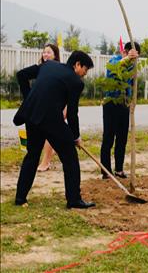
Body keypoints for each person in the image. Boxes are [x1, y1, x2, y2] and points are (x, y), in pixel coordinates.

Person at [13, 51, 96, 209]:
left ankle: (20, 198)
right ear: (77, 64)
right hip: (51, 121)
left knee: (32, 155)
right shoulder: (76, 82)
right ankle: (74, 200)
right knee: (70, 157)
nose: (85, 74)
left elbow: (21, 75)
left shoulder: (48, 65)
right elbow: (72, 114)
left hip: (32, 116)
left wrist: (29, 97)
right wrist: (75, 136)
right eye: (85, 69)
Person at [16, 44, 64, 172]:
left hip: (54, 111)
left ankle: (48, 161)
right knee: (35, 146)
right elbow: (21, 75)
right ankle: (42, 162)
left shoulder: (60, 70)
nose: (46, 55)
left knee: (60, 142)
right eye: (44, 52)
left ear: (55, 55)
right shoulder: (40, 68)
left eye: (49, 52)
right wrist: (29, 97)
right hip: (37, 112)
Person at [100, 42, 140, 180]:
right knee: (108, 138)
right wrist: (127, 58)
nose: (134, 60)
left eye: (135, 58)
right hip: (111, 103)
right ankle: (105, 170)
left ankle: (118, 169)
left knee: (122, 139)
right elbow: (115, 68)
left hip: (124, 104)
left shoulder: (133, 66)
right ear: (125, 52)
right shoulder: (115, 61)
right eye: (132, 56)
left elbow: (133, 85)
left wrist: (133, 102)